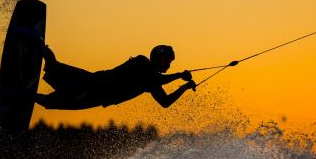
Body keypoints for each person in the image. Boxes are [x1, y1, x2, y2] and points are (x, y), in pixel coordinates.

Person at [35, 45, 196, 110]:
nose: (168, 64)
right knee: (55, 68)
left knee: (51, 102)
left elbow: (165, 103)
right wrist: (180, 76)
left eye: (170, 62)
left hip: (97, 99)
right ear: (157, 57)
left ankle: (22, 95)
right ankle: (37, 44)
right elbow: (156, 79)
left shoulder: (152, 82)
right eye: (167, 60)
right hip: (94, 84)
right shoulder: (142, 62)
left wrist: (184, 87)